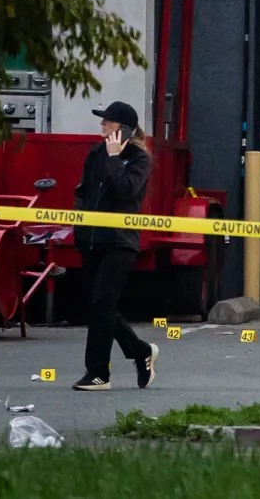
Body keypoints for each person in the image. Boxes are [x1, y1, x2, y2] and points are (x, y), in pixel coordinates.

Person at [71, 100, 159, 390]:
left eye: (107, 123)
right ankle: (140, 351)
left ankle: (99, 373)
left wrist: (113, 157)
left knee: (102, 303)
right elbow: (83, 192)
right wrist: (80, 230)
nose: (102, 126)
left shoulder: (137, 158)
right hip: (92, 239)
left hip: (120, 242)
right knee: (98, 306)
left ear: (122, 130)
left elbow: (126, 190)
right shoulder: (95, 153)